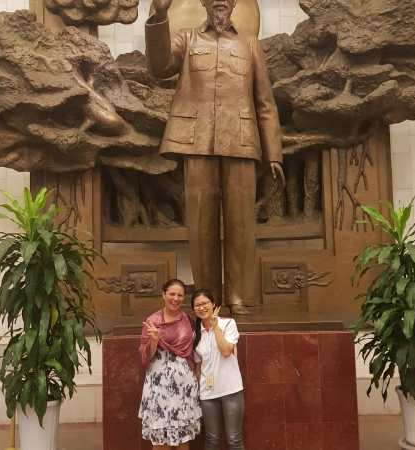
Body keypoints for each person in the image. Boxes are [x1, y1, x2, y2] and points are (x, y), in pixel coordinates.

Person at [145, 0, 285, 315]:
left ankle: (237, 294)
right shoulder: (187, 39)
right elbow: (159, 67)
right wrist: (160, 15)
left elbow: (265, 102)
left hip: (241, 141)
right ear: (205, 3)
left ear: (234, 4)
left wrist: (274, 153)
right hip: (197, 141)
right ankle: (207, 297)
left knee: (241, 223)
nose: (220, 3)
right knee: (201, 224)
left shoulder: (250, 44)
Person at [138, 279, 201, 449]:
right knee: (160, 438)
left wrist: (196, 375)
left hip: (184, 384)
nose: (175, 298)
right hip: (159, 385)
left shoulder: (187, 319)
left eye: (180, 295)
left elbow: (192, 350)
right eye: (172, 294)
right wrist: (154, 340)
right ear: (163, 295)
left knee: (183, 438)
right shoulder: (153, 321)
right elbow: (145, 356)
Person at [191, 288, 245, 450]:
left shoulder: (228, 324)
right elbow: (198, 365)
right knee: (211, 439)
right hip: (207, 393)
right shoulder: (195, 334)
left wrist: (215, 328)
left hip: (231, 390)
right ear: (193, 309)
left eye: (205, 303)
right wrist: (199, 390)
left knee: (234, 439)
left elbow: (226, 351)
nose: (202, 307)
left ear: (213, 304)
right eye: (197, 305)